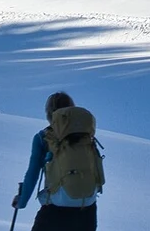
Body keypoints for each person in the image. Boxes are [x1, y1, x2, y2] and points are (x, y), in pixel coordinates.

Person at [12, 91, 102, 231]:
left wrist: (22, 201)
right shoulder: (86, 135)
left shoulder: (43, 137)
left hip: (55, 211)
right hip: (87, 210)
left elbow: (33, 173)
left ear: (49, 113)